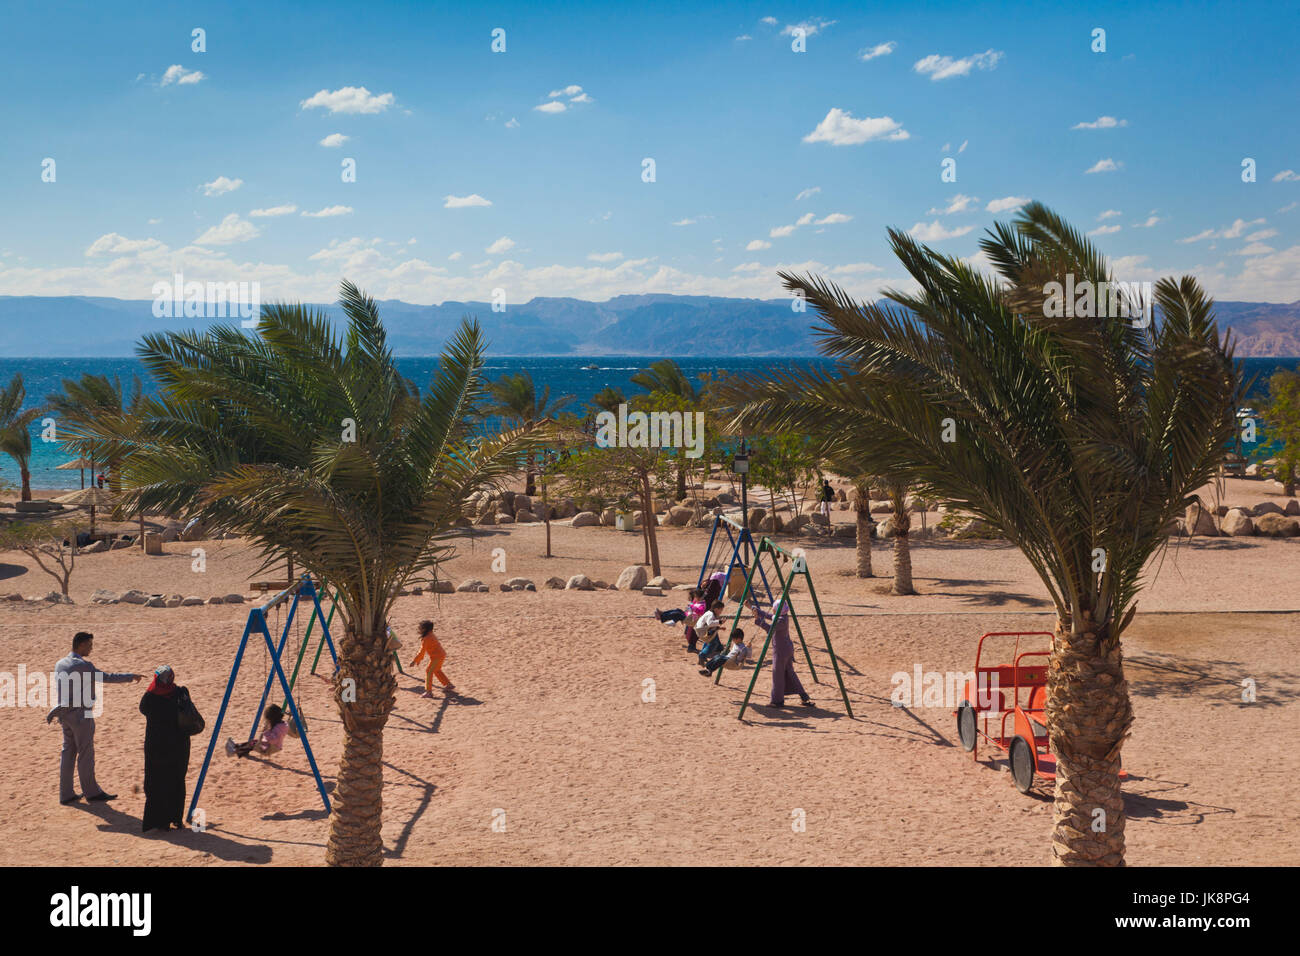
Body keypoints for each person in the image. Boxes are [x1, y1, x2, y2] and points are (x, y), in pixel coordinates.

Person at [46, 632, 143, 805]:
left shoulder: (59, 663)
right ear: (81, 645)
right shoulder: (84, 665)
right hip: (81, 715)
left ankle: (66, 794)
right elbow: (107, 677)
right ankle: (91, 792)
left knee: (67, 753)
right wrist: (131, 676)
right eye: (89, 645)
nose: (91, 648)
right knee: (85, 754)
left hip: (63, 714)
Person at [138, 665, 190, 831]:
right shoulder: (181, 693)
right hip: (179, 744)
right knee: (176, 780)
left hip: (157, 745)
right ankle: (176, 818)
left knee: (156, 782)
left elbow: (143, 710)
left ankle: (159, 822)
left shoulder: (150, 696)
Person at [757, 599, 812, 708]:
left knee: (777, 675)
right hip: (786, 649)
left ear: (778, 610)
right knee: (790, 673)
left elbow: (769, 628)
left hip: (781, 651)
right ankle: (803, 695)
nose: (772, 609)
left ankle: (777, 701)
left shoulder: (781, 621)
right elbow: (769, 616)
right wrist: (754, 609)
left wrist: (758, 621)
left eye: (774, 608)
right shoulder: (783, 617)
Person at [410, 619, 454, 697]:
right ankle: (448, 684)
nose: (419, 629)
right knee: (436, 670)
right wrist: (418, 659)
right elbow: (422, 652)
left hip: (437, 657)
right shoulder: (431, 635)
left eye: (420, 627)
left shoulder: (426, 638)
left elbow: (422, 651)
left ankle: (429, 692)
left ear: (424, 629)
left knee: (429, 671)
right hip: (440, 655)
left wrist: (415, 660)